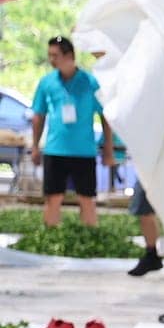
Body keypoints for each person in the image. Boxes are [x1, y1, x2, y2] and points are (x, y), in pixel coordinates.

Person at [29, 37, 115, 229]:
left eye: (55, 55)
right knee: (53, 197)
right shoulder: (46, 83)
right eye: (49, 55)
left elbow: (105, 115)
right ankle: (51, 237)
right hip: (55, 150)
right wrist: (35, 146)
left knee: (87, 198)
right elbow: (39, 116)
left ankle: (89, 238)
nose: (51, 60)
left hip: (84, 151)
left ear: (69, 56)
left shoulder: (91, 82)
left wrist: (108, 147)